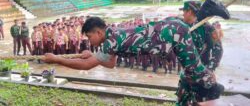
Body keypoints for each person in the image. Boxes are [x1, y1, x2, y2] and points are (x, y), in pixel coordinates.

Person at [42, 17, 223, 105]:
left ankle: (208, 11)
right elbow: (110, 64)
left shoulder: (110, 41)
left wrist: (57, 59)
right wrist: (92, 55)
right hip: (171, 30)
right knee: (193, 71)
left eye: (90, 37)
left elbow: (86, 67)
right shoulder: (111, 36)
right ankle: (205, 91)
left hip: (172, 33)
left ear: (98, 32)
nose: (90, 41)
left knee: (195, 71)